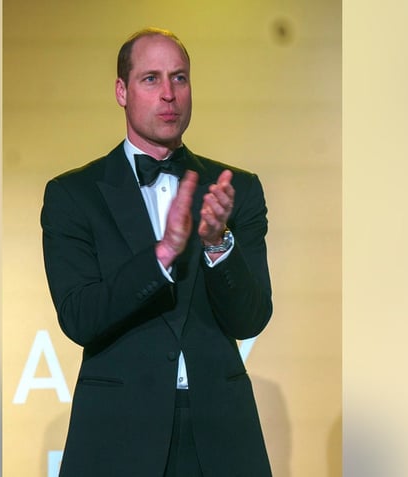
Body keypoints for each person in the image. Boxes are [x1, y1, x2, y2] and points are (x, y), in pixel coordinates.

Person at [41, 27, 273, 477]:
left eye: (180, 78)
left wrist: (217, 244)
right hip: (118, 434)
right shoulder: (73, 195)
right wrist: (162, 253)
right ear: (121, 91)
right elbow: (80, 316)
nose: (169, 94)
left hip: (222, 436)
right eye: (151, 79)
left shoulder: (236, 190)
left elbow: (251, 317)